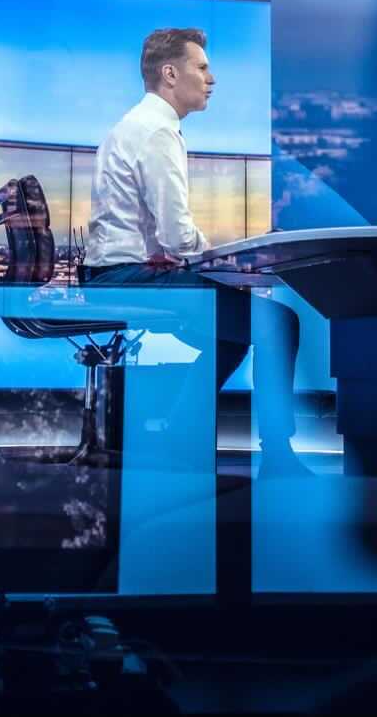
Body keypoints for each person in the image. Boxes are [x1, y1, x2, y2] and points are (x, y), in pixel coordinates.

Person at [81, 28, 306, 475]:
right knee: (278, 324)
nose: (211, 78)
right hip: (124, 278)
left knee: (232, 332)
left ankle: (179, 440)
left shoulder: (138, 125)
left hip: (118, 272)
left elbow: (168, 239)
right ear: (170, 74)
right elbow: (178, 238)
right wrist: (226, 261)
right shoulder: (156, 133)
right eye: (201, 67)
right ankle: (278, 456)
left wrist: (213, 262)